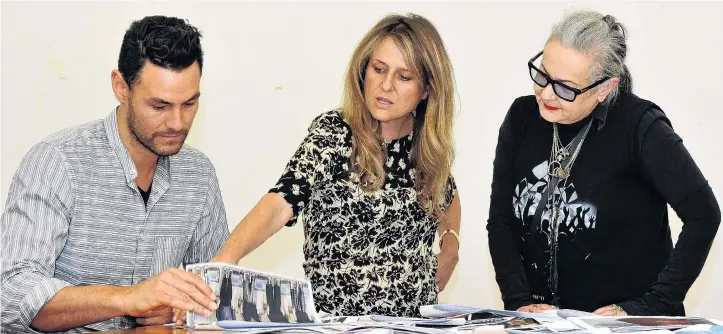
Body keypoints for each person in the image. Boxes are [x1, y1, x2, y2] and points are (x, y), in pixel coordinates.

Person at [212, 13, 461, 317]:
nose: (386, 85)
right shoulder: (334, 133)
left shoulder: (427, 144)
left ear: (427, 90)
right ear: (363, 71)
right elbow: (281, 202)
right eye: (378, 69)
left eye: (404, 77)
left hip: (414, 323)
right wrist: (225, 259)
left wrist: (451, 245)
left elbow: (447, 195)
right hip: (336, 324)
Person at [0, 15, 229, 332]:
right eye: (159, 106)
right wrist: (128, 298)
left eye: (189, 104)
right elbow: (10, 295)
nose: (178, 123)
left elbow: (216, 296)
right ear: (121, 87)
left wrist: (180, 311)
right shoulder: (58, 162)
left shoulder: (198, 175)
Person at [487, 9, 720, 316]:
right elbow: (501, 221)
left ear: (605, 88)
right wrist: (519, 303)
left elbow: (703, 215)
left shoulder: (640, 127)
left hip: (626, 326)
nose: (546, 93)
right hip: (548, 324)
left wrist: (651, 305)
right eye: (542, 74)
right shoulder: (521, 119)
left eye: (565, 88)